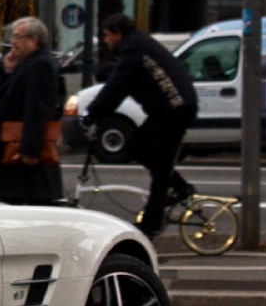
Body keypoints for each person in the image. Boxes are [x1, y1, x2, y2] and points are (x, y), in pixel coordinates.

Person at [84, 13, 199, 237]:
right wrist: (97, 112)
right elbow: (121, 85)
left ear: (118, 34)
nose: (106, 41)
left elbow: (117, 86)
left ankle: (151, 224)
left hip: (174, 110)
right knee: (138, 147)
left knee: (161, 167)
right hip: (167, 110)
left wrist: (92, 113)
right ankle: (181, 187)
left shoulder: (134, 49)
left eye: (107, 36)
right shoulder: (136, 45)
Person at [0, 16, 62, 205]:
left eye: (18, 37)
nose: (12, 42)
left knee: (23, 202)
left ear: (33, 39)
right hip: (13, 147)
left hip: (21, 151)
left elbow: (37, 109)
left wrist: (29, 150)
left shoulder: (40, 65)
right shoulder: (27, 63)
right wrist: (8, 70)